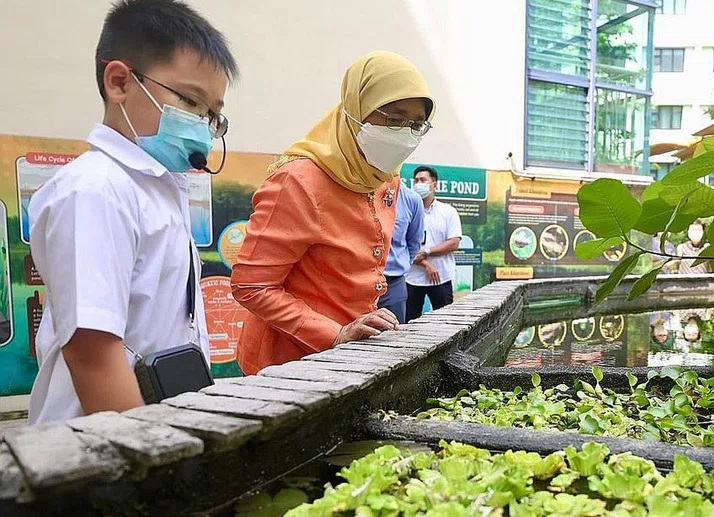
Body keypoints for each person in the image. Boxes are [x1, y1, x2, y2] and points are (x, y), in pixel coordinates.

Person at [27, 0, 236, 424]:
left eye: (212, 114)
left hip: (153, 425)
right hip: (99, 447)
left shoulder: (157, 187)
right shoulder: (95, 192)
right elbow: (93, 354)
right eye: (191, 101)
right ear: (119, 82)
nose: (201, 123)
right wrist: (153, 462)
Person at [231, 52, 434, 375]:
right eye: (394, 120)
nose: (406, 135)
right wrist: (332, 333)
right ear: (356, 110)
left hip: (350, 358)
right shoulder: (298, 181)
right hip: (286, 364)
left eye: (417, 125)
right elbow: (251, 285)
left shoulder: (385, 177)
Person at [405, 166, 462, 321]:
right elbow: (402, 245)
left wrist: (427, 252)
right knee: (408, 324)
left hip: (441, 277)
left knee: (444, 323)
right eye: (416, 180)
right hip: (412, 278)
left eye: (423, 180)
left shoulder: (448, 212)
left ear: (435, 184)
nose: (418, 184)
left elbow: (454, 243)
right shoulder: (407, 211)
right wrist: (425, 263)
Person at [378, 183, 425, 323]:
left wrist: (399, 264)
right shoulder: (358, 191)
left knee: (392, 337)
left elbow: (414, 242)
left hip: (393, 285)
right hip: (357, 283)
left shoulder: (411, 199)